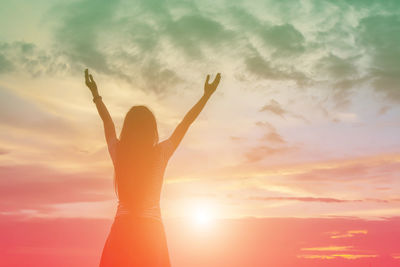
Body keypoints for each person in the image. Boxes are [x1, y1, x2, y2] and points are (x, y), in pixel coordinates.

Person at [84, 69, 221, 266]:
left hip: (122, 233)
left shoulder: (120, 153)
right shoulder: (160, 154)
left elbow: (107, 122)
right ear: (152, 130)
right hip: (151, 235)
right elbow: (185, 123)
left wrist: (95, 94)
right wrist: (206, 95)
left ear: (128, 129)